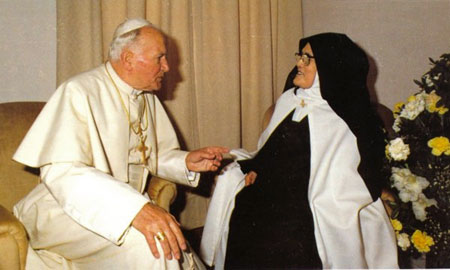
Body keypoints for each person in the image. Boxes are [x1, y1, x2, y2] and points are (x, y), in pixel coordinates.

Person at [13, 18, 228, 270]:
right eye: (159, 57)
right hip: (62, 210)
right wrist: (134, 209)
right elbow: (63, 172)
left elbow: (147, 158)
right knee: (157, 244)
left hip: (122, 204)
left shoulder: (144, 96)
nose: (167, 67)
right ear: (128, 59)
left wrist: (185, 161)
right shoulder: (79, 91)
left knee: (169, 245)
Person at [200, 33, 399, 269]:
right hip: (271, 193)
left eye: (307, 58)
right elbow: (269, 150)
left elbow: (349, 177)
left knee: (285, 232)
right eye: (300, 56)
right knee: (246, 208)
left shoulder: (344, 119)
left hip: (312, 201)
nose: (298, 64)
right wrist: (254, 169)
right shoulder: (289, 100)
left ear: (330, 67)